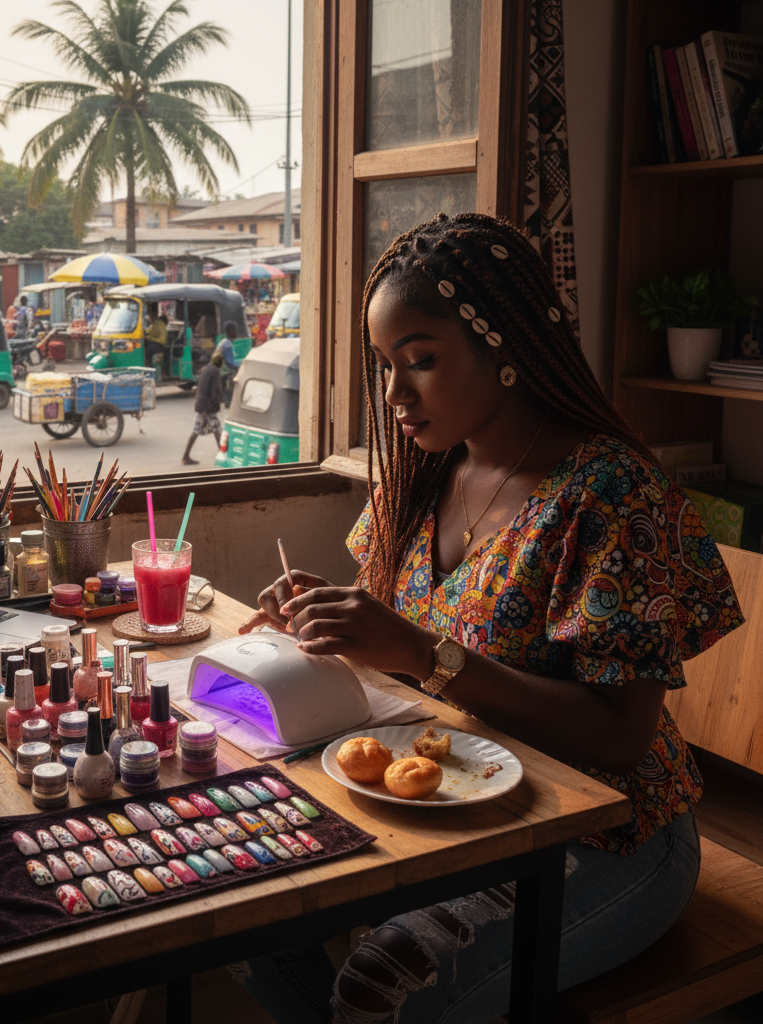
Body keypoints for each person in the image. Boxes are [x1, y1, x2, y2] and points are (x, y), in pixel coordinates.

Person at [234, 212, 743, 1024]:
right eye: (385, 367)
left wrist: (420, 653)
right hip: (452, 803)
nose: (396, 395)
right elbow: (400, 633)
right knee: (250, 906)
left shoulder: (612, 493)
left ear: (501, 344)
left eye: (421, 362)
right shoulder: (426, 473)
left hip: (607, 832)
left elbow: (619, 738)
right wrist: (327, 615)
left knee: (382, 983)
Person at [183, 350, 224, 465]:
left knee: (205, 430)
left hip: (201, 404)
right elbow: (216, 390)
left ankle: (186, 456)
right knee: (216, 429)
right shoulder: (215, 371)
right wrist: (218, 403)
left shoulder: (206, 369)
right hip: (208, 406)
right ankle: (222, 455)